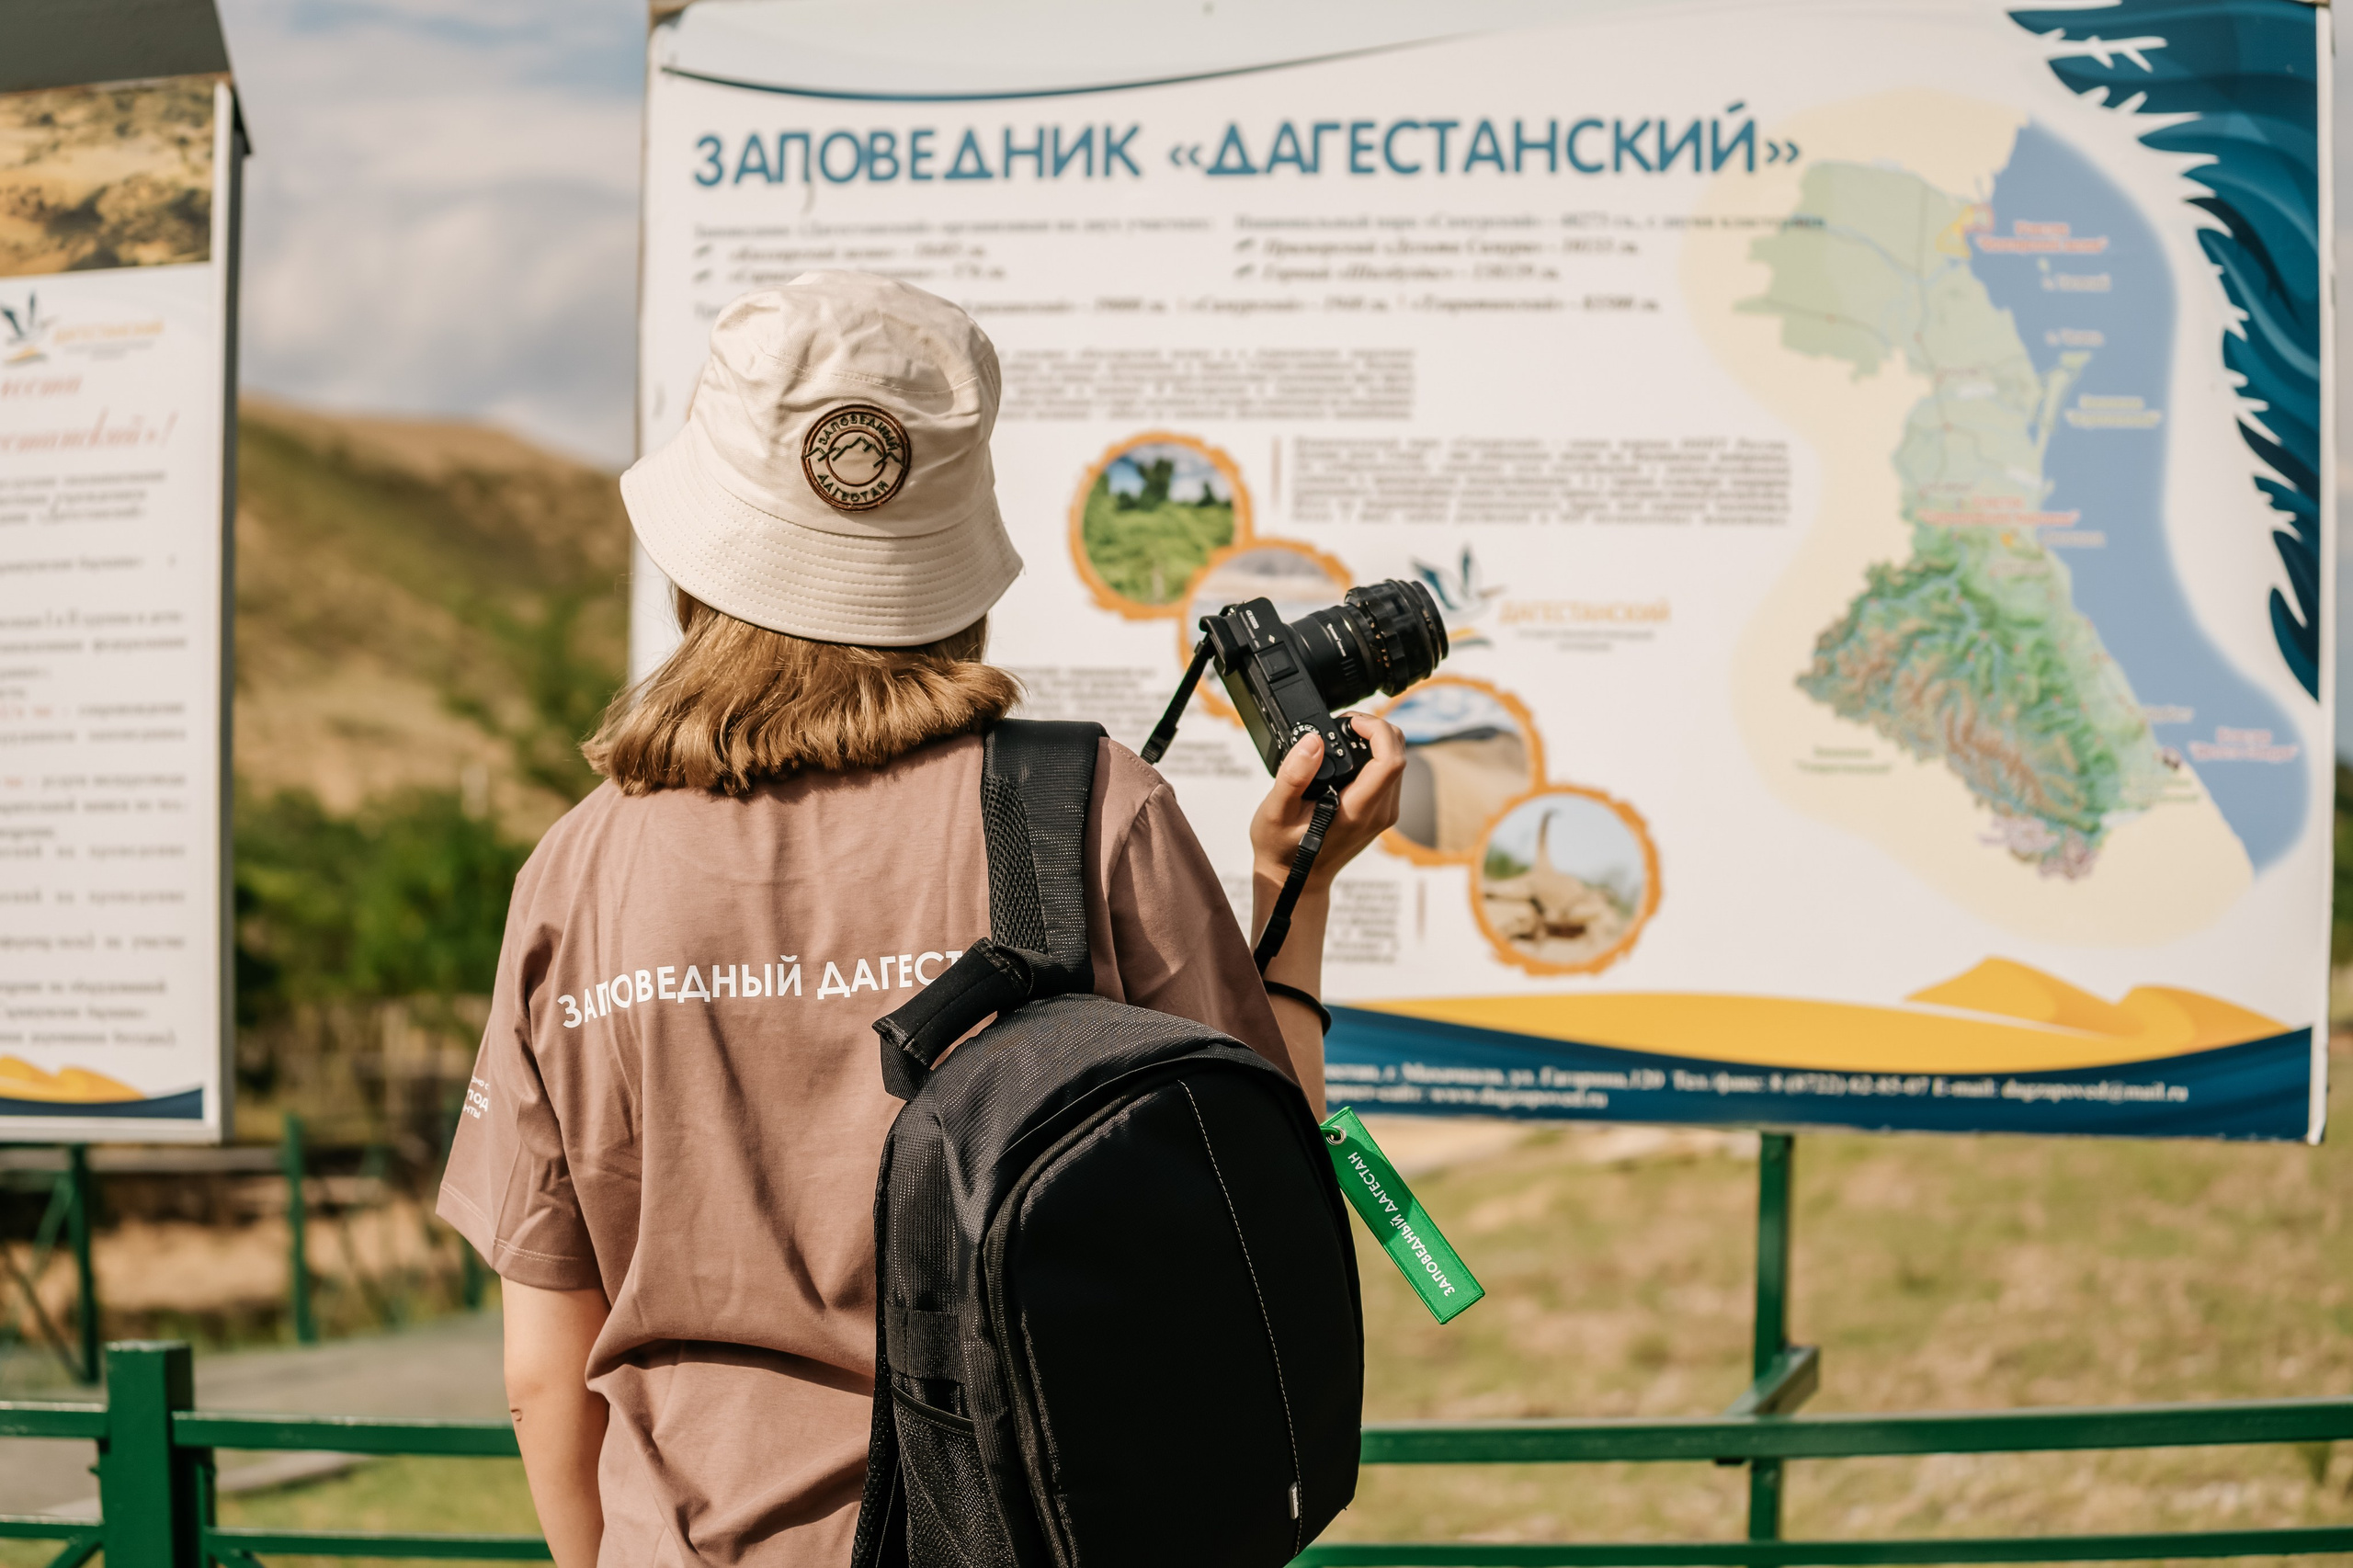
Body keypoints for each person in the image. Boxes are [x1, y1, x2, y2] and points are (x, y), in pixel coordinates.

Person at [437, 271, 1403, 1568]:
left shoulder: (574, 869)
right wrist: (1300, 888)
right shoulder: (1089, 811)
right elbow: (1255, 1216)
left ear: (696, 550)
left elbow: (543, 1371)